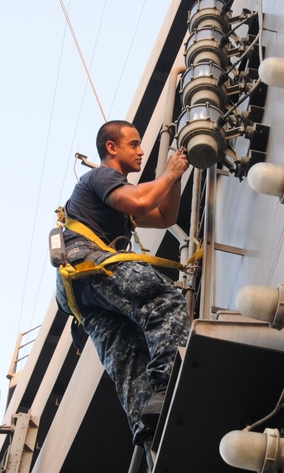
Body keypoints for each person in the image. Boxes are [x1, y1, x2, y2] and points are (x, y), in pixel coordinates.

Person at [54, 120, 191, 448]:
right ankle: (170, 382)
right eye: (134, 144)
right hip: (87, 263)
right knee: (160, 299)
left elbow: (163, 217)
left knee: (126, 353)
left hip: (78, 291)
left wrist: (175, 177)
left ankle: (149, 435)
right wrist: (169, 173)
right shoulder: (102, 177)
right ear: (111, 148)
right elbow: (142, 203)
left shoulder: (111, 198)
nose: (141, 150)